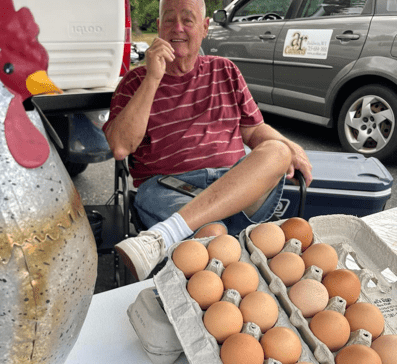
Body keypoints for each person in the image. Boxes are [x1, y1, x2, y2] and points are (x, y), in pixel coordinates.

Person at [103, 0, 313, 282]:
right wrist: (153, 78)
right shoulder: (134, 82)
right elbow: (120, 147)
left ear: (205, 29)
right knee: (213, 235)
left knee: (277, 150)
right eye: (169, 20)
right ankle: (186, 240)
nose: (177, 28)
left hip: (234, 184)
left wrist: (292, 148)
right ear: (158, 28)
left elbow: (254, 131)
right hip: (167, 186)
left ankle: (165, 235)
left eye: (187, 20)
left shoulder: (225, 70)